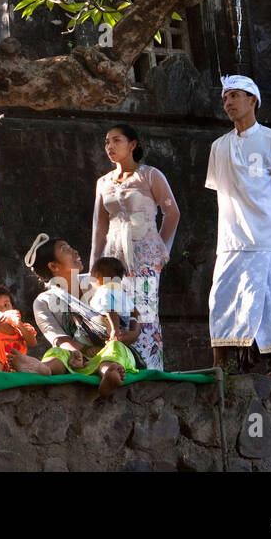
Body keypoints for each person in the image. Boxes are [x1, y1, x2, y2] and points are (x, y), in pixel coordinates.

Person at [206, 74, 271, 375]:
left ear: (252, 100)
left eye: (235, 95)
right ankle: (219, 363)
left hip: (270, 238)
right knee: (223, 297)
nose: (228, 102)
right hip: (231, 239)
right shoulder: (218, 147)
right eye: (225, 98)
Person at [91, 123, 179, 370]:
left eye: (116, 140)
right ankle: (118, 362)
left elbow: (172, 213)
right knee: (113, 306)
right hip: (113, 254)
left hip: (145, 253)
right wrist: (94, 265)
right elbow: (99, 227)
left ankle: (149, 367)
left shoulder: (151, 175)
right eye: (107, 142)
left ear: (133, 144)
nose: (110, 146)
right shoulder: (103, 182)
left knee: (145, 309)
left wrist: (161, 248)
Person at [26, 233, 140, 397]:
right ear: (53, 266)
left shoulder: (97, 280)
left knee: (116, 348)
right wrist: (76, 353)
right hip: (76, 359)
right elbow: (58, 338)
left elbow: (131, 309)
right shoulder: (43, 302)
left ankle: (108, 371)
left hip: (109, 349)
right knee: (57, 352)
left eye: (71, 247)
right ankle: (42, 368)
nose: (75, 252)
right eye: (65, 250)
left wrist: (135, 332)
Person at [0, 285, 47, 373]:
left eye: (6, 305)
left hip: (13, 368)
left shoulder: (20, 327)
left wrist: (19, 325)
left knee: (23, 359)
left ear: (12, 308)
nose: (2, 309)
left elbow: (32, 343)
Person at [89, 256, 138, 341]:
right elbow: (136, 313)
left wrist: (115, 330)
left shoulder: (104, 291)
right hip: (124, 326)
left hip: (111, 326)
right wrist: (133, 329)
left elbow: (110, 310)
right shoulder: (121, 293)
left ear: (96, 276)